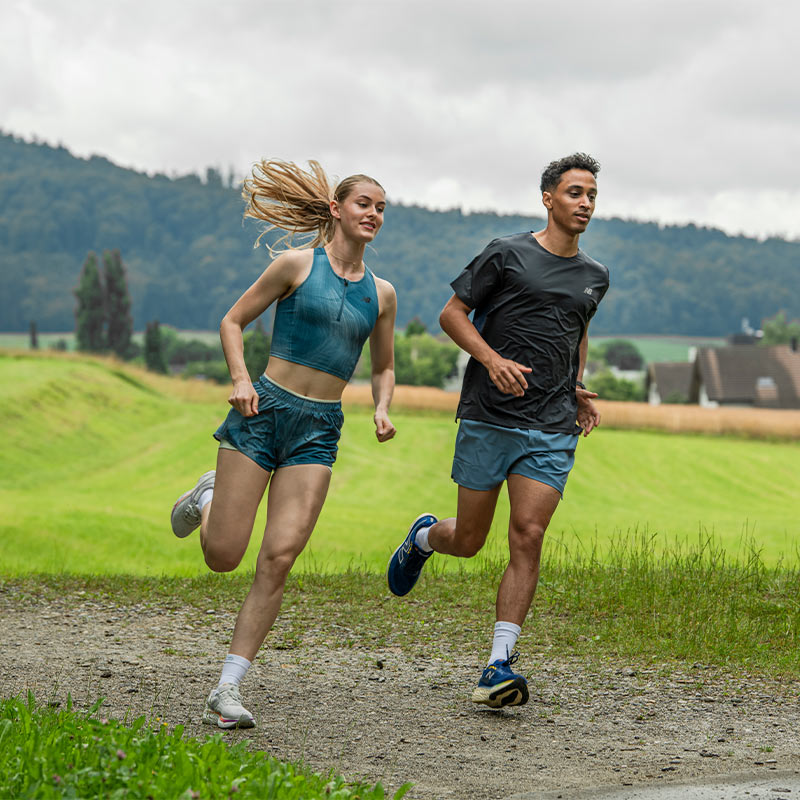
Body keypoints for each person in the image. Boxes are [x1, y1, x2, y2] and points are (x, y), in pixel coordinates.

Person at [171, 159, 397, 728]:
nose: (373, 213)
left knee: (278, 558)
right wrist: (242, 380)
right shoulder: (297, 264)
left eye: (380, 207)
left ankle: (227, 689)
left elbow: (383, 366)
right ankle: (209, 496)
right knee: (224, 557)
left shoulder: (383, 293)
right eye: (364, 203)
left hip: (319, 430)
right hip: (263, 411)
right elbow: (232, 321)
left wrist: (383, 407)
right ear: (336, 209)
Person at [387, 153, 609, 708]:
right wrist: (491, 360)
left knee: (528, 534)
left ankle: (498, 663)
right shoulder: (507, 253)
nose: (585, 203)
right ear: (548, 198)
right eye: (575, 193)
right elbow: (452, 314)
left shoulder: (595, 276)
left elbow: (575, 333)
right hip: (490, 416)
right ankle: (423, 538)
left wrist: (577, 387)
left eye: (591, 195)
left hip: (552, 423)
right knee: (468, 541)